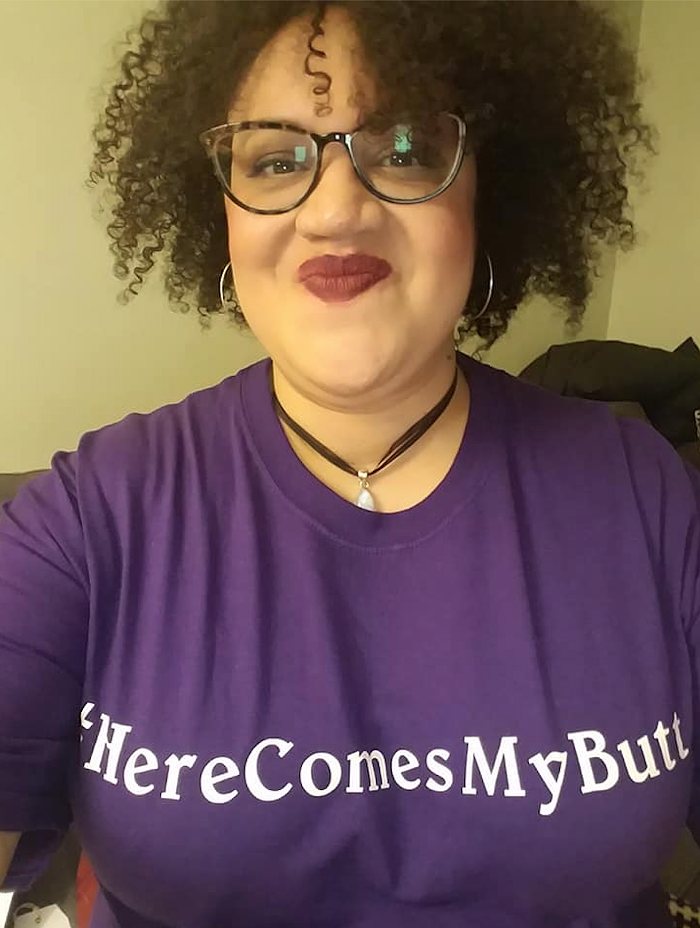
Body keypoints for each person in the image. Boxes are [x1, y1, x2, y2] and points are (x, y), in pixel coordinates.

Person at [0, 1, 698, 926]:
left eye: (403, 146)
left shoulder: (644, 494)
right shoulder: (90, 519)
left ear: (489, 189)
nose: (335, 209)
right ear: (220, 216)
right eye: (274, 158)